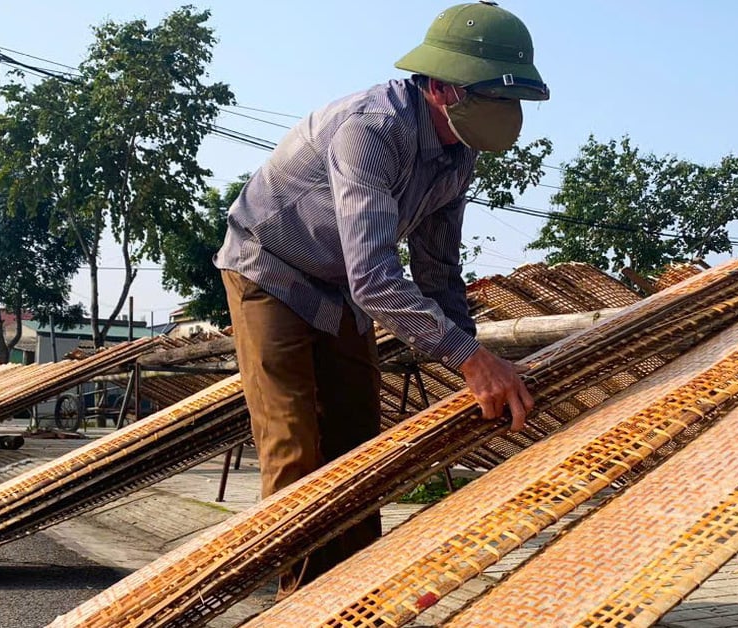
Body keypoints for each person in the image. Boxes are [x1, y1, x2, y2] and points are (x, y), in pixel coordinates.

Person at [213, 1, 548, 596]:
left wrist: (470, 363)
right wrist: (474, 362)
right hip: (269, 269)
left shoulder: (459, 150)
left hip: (340, 283)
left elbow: (438, 269)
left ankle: (355, 597)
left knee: (359, 447)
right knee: (296, 449)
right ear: (443, 87)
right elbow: (375, 279)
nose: (504, 114)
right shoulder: (371, 130)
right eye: (492, 99)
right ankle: (303, 606)